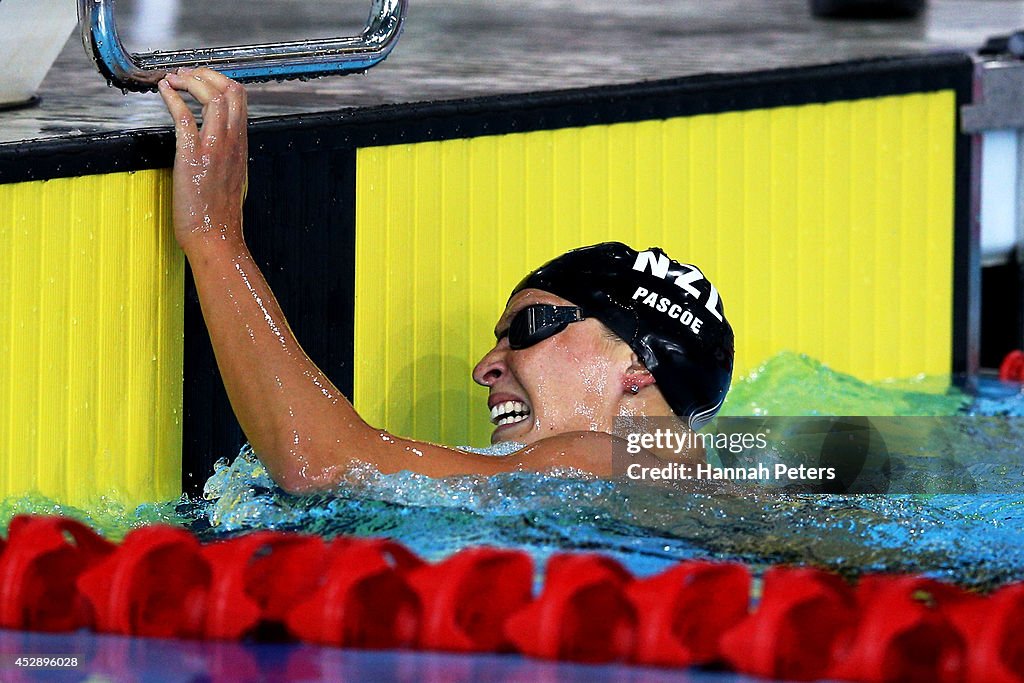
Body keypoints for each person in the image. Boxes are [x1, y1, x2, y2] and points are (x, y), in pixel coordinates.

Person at [158, 68, 734, 493]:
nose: (485, 366)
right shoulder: (737, 474)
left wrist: (214, 237)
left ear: (637, 367)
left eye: (528, 328)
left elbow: (324, 466)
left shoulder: (596, 459)